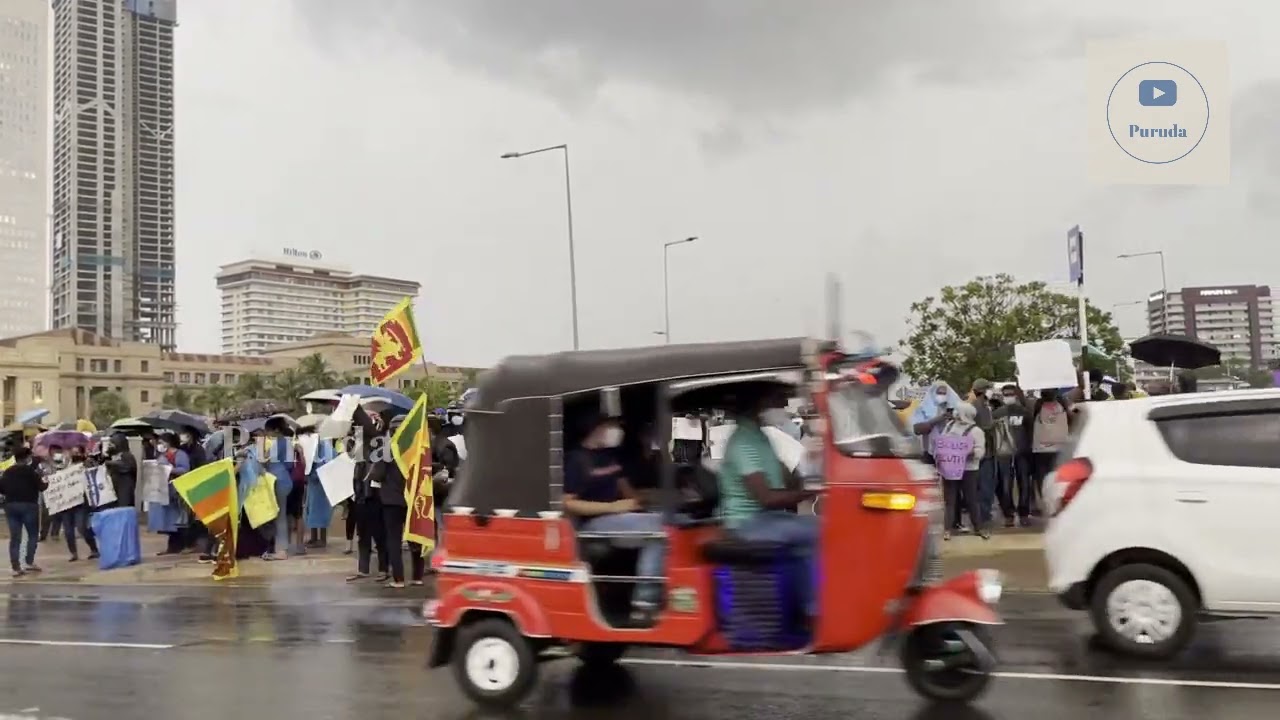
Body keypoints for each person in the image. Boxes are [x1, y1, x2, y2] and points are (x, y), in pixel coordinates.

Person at [717, 387, 820, 614]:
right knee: (821, 532)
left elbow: (788, 479)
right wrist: (807, 493)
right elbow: (767, 498)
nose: (783, 404)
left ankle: (806, 605)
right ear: (759, 403)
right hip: (747, 523)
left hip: (767, 518)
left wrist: (811, 475)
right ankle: (815, 612)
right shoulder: (743, 442)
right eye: (777, 398)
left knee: (822, 529)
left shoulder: (761, 436)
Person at [563, 413, 668, 621]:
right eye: (611, 425)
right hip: (592, 524)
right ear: (595, 429)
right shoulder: (577, 460)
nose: (616, 431)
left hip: (619, 517)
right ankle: (645, 600)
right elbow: (568, 503)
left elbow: (629, 493)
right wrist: (612, 507)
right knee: (659, 531)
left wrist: (664, 498)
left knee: (672, 522)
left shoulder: (609, 457)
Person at [371, 413, 426, 588]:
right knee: (416, 538)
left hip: (391, 502)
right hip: (414, 499)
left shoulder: (388, 449)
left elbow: (377, 475)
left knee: (393, 540)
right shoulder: (418, 449)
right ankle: (417, 577)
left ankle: (399, 579)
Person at [936, 401, 988, 540]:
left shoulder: (976, 431)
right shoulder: (949, 426)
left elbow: (980, 451)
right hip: (950, 469)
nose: (955, 414)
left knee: (971, 499)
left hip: (969, 470)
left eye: (958, 412)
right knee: (950, 500)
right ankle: (947, 529)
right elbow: (943, 443)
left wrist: (967, 453)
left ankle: (978, 528)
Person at [1, 447, 46, 577]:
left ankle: (15, 566)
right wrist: (46, 480)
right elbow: (42, 487)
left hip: (11, 505)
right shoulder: (31, 472)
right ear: (27, 458)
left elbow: (2, 488)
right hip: (29, 505)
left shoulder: (8, 471)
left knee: (15, 537)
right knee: (32, 535)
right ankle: (29, 562)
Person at [992, 384, 1033, 526]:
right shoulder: (997, 413)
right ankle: (1008, 514)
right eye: (1006, 394)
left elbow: (1030, 432)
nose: (1008, 396)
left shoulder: (1024, 412)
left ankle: (1024, 513)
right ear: (1002, 396)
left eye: (1011, 394)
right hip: (1004, 454)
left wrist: (1028, 449)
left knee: (1025, 484)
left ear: (1016, 395)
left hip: (1023, 453)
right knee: (1005, 484)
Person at [149, 431, 191, 555]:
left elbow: (185, 470)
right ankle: (173, 547)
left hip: (177, 490)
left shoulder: (180, 454)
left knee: (179, 520)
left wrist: (170, 469)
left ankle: (181, 545)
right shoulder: (163, 456)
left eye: (161, 443)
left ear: (168, 443)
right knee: (169, 520)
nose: (159, 445)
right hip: (165, 491)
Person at [1030, 390, 1072, 505]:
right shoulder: (1061, 406)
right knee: (1057, 477)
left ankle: (1046, 501)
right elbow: (1071, 419)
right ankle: (1057, 501)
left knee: (1042, 477)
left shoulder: (1038, 406)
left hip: (1041, 449)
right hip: (1058, 447)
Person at [969, 379, 1001, 531]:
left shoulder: (984, 406)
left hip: (984, 451)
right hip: (983, 452)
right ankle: (982, 517)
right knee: (985, 486)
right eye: (989, 388)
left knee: (983, 486)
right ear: (982, 390)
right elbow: (980, 428)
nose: (991, 391)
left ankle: (982, 515)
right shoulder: (976, 407)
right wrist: (993, 425)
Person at [59, 446, 99, 561]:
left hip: (80, 502)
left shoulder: (87, 464)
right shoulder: (65, 465)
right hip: (66, 502)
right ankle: (73, 553)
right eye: (73, 452)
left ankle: (94, 548)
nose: (75, 454)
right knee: (68, 530)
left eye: (77, 452)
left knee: (82, 527)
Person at [102, 432, 138, 510]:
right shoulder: (112, 456)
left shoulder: (127, 455)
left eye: (112, 443)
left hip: (124, 489)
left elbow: (126, 466)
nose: (110, 445)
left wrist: (109, 463)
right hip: (114, 489)